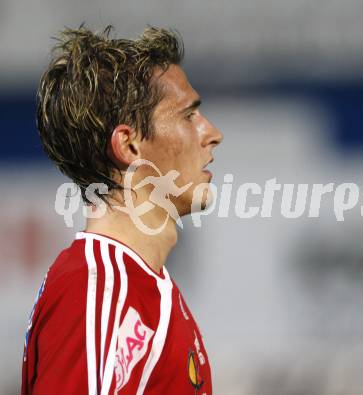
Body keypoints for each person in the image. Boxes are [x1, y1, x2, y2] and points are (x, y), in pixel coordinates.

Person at [21, 25, 223, 395]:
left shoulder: (139, 284)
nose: (212, 133)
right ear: (129, 146)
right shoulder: (97, 289)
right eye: (187, 115)